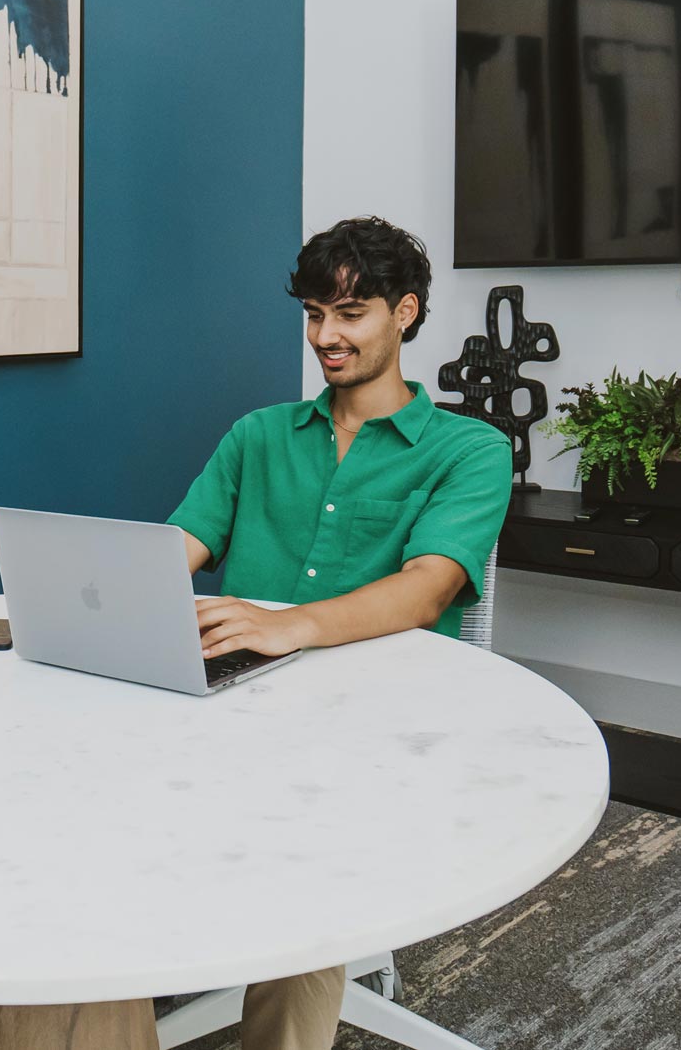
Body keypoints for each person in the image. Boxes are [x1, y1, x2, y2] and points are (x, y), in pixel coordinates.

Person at [165, 215, 513, 1049]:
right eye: (316, 313)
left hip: (372, 723)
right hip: (230, 704)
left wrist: (293, 626)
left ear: (406, 312)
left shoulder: (470, 450)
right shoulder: (257, 435)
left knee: (305, 862)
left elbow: (428, 591)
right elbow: (175, 552)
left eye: (350, 314)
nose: (326, 335)